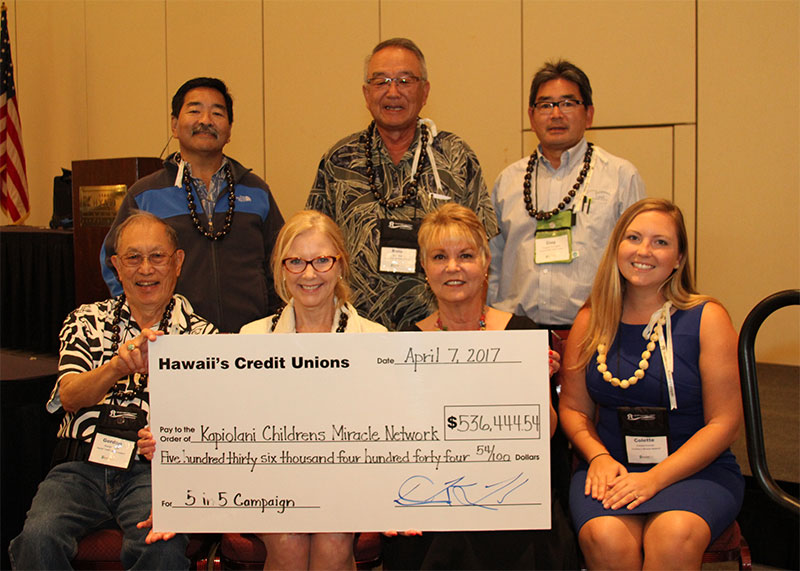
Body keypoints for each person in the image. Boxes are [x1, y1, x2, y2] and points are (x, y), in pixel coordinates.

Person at [9, 211, 217, 570]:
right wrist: (117, 367)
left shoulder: (203, 337)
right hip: (80, 466)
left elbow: (212, 424)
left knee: (161, 548)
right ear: (117, 267)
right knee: (37, 538)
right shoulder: (86, 320)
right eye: (134, 258)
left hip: (155, 471)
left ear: (177, 262)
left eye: (157, 257)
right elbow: (70, 397)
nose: (146, 269)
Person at [383, 203, 578, 570]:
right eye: (439, 256)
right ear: (425, 267)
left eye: (466, 255)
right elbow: (399, 440)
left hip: (510, 492)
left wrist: (536, 387)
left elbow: (547, 434)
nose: (453, 267)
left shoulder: (522, 335)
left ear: (486, 262)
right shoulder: (406, 343)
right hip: (433, 493)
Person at [559, 198, 744, 569]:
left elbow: (725, 423)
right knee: (605, 537)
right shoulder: (590, 319)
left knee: (673, 534)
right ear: (617, 248)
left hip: (693, 470)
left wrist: (655, 479)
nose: (644, 251)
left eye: (661, 242)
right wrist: (597, 457)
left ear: (678, 258)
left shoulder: (708, 318)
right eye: (633, 238)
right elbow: (574, 408)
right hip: (611, 468)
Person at [307, 37, 498, 332]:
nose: (392, 91)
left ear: (425, 91)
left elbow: (483, 251)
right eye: (381, 81)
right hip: (357, 334)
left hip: (440, 335)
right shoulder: (339, 161)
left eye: (405, 80)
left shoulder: (455, 156)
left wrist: (474, 334)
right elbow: (315, 252)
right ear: (366, 93)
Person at [241, 210, 386, 569]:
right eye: (296, 261)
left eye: (321, 260)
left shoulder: (375, 339)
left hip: (348, 480)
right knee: (288, 543)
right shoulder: (251, 338)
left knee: (335, 542)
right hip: (270, 482)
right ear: (281, 267)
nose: (309, 274)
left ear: (340, 264)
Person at [101, 77, 284, 333]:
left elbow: (281, 263)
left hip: (249, 339)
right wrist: (142, 317)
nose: (206, 120)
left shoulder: (256, 191)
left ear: (230, 129)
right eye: (195, 111)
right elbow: (114, 262)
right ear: (175, 125)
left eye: (217, 113)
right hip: (172, 340)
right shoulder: (145, 195)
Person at [488, 60, 645, 329]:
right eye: (546, 105)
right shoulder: (508, 181)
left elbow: (635, 260)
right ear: (531, 115)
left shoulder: (620, 177)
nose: (556, 114)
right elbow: (493, 263)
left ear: (589, 114)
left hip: (595, 329)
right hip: (518, 333)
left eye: (568, 103)